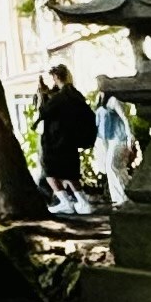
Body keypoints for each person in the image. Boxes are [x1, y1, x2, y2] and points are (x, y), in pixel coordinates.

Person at [35, 64, 99, 214]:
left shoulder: (60, 97)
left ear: (56, 77)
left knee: (50, 172)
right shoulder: (74, 94)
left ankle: (65, 202)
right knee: (70, 173)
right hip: (71, 140)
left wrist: (41, 96)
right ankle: (83, 202)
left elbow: (44, 112)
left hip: (56, 140)